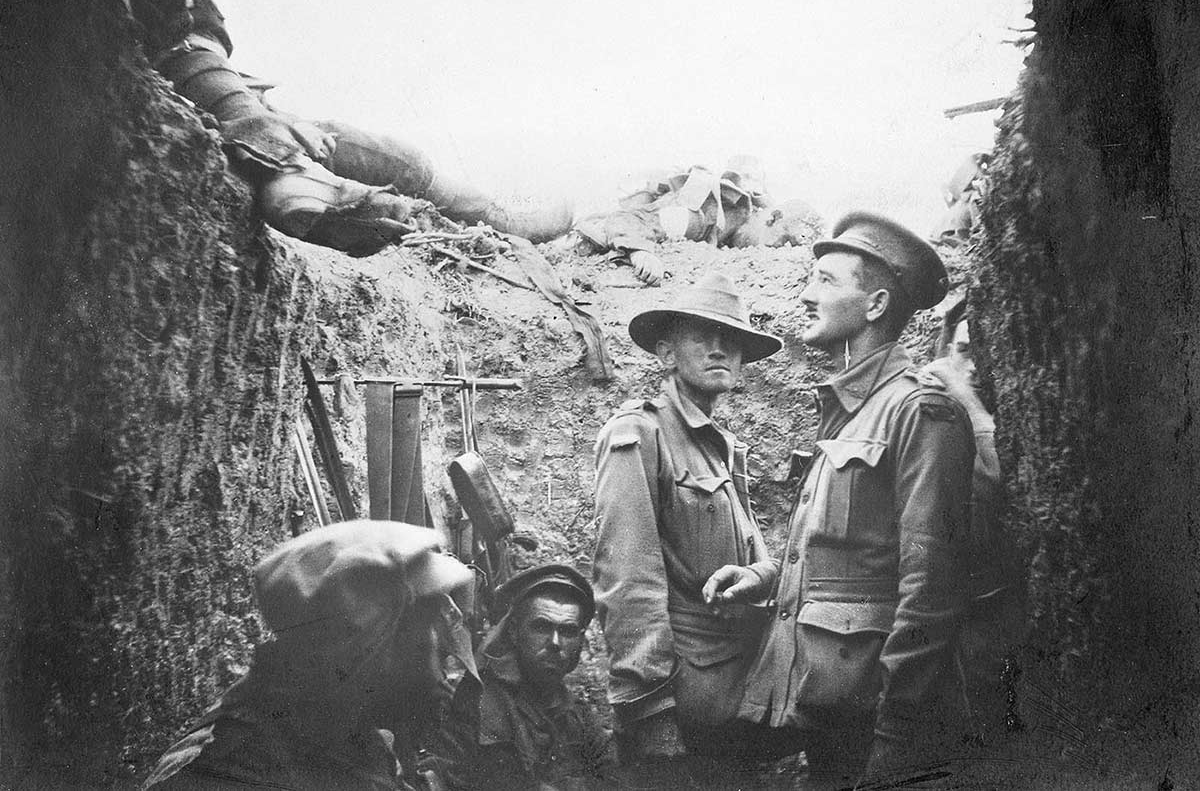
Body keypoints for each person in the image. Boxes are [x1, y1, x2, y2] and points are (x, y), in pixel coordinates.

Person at [108, 0, 572, 256]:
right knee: (296, 138)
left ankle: (291, 174)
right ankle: (292, 177)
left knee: (374, 150)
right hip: (155, 72)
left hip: (199, 79)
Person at [704, 212, 976, 786]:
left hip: (876, 721)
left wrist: (900, 734)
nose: (806, 295)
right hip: (828, 711)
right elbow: (851, 560)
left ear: (875, 305)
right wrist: (768, 579)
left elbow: (932, 584)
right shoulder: (851, 409)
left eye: (827, 281)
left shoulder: (920, 411)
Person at [591, 273, 785, 778]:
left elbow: (749, 557)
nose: (721, 349)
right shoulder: (638, 432)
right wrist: (649, 709)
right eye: (703, 336)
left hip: (735, 694)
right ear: (666, 355)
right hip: (682, 701)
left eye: (732, 340)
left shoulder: (718, 444)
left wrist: (761, 577)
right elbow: (628, 576)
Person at [142, 521, 476, 790]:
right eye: (427, 628)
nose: (444, 654)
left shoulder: (354, 740)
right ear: (366, 646)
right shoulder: (223, 769)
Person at [924, 302, 1025, 745]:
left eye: (985, 352)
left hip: (993, 615)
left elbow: (1005, 478)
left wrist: (965, 396)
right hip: (929, 618)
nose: (975, 366)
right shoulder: (925, 404)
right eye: (963, 350)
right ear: (946, 348)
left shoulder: (1004, 411)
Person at [431, 563, 616, 790]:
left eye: (567, 631)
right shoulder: (475, 703)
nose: (555, 643)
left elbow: (614, 776)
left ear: (580, 641)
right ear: (514, 632)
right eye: (542, 627)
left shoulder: (579, 716)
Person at [573, 157, 776, 285]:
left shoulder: (750, 217)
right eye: (745, 176)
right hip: (696, 216)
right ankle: (613, 234)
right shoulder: (710, 210)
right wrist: (640, 253)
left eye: (756, 179)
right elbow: (634, 219)